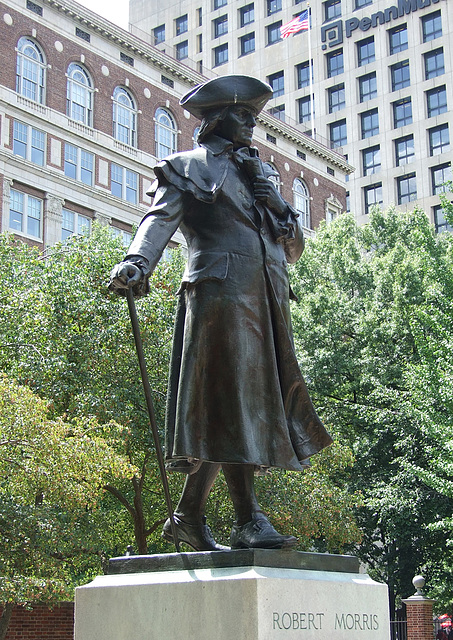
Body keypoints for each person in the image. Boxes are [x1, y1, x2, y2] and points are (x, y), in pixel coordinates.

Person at [109, 75, 333, 551]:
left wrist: (279, 206)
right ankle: (248, 518)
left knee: (242, 406)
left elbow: (292, 250)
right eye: (243, 116)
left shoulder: (262, 179)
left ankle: (188, 516)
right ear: (215, 120)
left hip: (268, 301)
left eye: (254, 117)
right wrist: (136, 262)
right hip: (221, 296)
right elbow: (158, 219)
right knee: (232, 400)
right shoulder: (186, 166)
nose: (251, 125)